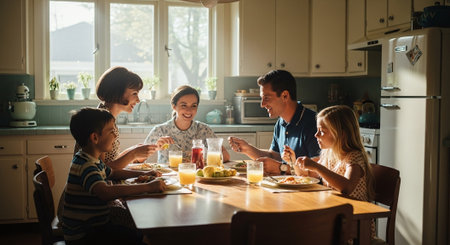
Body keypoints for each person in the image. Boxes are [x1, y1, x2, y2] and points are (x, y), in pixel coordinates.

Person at [63, 107, 166, 244]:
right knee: (141, 237)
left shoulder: (91, 159)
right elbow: (105, 192)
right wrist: (148, 187)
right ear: (95, 137)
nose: (116, 135)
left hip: (95, 227)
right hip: (85, 235)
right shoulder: (86, 165)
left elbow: (114, 173)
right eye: (111, 131)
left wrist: (145, 173)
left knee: (137, 234)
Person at [287, 105, 375, 238]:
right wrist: (294, 161)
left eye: (322, 131)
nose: (316, 135)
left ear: (341, 134)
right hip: (335, 216)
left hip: (354, 223)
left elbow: (346, 187)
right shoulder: (329, 153)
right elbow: (308, 175)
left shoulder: (354, 157)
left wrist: (317, 167)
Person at [228, 70, 320, 175]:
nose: (262, 104)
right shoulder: (280, 123)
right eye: (262, 99)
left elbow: (319, 171)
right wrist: (247, 149)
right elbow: (274, 157)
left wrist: (282, 168)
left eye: (266, 98)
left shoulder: (314, 124)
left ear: (285, 96)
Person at [74, 66, 157, 170]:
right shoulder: (100, 123)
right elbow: (101, 170)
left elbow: (110, 160)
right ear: (118, 92)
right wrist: (133, 154)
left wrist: (133, 151)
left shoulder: (106, 117)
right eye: (134, 93)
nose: (138, 100)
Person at [145, 85, 230, 164]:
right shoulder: (160, 130)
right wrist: (156, 147)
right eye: (184, 105)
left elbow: (226, 156)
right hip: (167, 178)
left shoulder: (204, 130)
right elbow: (138, 160)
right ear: (174, 106)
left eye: (193, 106)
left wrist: (205, 157)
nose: (189, 111)